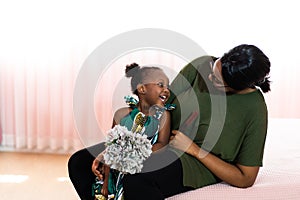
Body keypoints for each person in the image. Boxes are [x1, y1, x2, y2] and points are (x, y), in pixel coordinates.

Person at [68, 44, 271, 200]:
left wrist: (193, 149)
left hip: (195, 163)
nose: (209, 77)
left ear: (239, 87)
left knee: (137, 177)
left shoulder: (254, 109)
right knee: (80, 163)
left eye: (218, 81)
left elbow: (245, 178)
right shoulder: (201, 66)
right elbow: (159, 109)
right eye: (214, 67)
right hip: (159, 141)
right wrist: (115, 148)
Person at [80, 63, 172, 200]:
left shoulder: (163, 116)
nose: (166, 90)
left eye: (167, 86)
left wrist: (139, 153)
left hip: (141, 167)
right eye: (160, 84)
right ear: (142, 88)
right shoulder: (121, 114)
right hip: (116, 171)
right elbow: (111, 147)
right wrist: (105, 183)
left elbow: (162, 143)